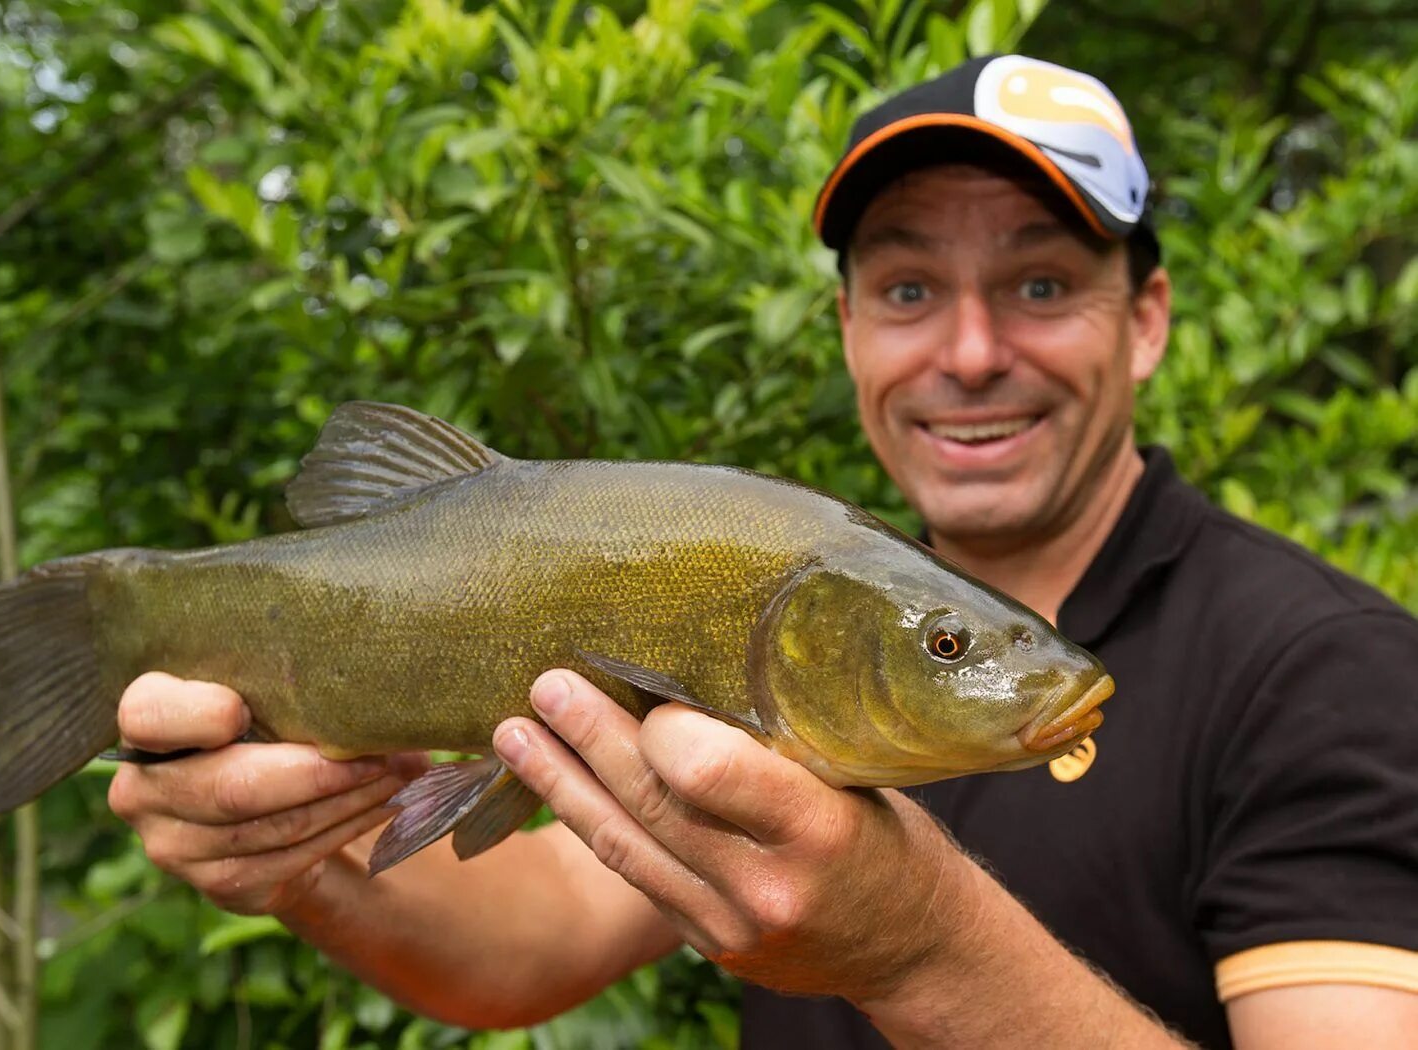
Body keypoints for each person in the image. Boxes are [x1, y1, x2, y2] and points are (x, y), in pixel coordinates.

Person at [105, 55, 1418, 1048]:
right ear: (849, 331)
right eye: (908, 290)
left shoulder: (1332, 673)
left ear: (1144, 320)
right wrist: (291, 862)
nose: (969, 353)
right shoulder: (798, 603)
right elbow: (525, 945)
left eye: (1039, 283)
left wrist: (920, 947)